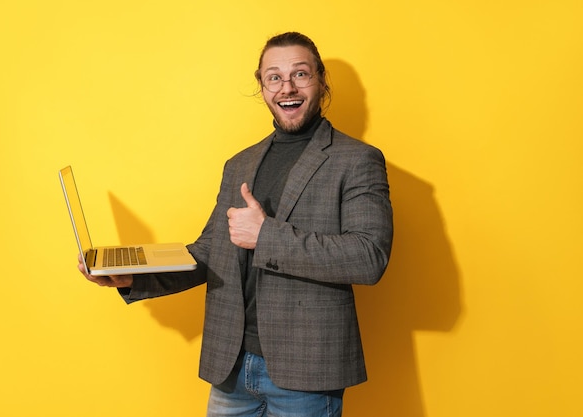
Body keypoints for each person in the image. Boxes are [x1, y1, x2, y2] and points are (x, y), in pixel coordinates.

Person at [78, 31, 393, 417]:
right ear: (261, 86)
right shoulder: (240, 164)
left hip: (305, 373)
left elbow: (368, 256)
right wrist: (131, 277)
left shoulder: (357, 159)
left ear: (321, 80)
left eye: (300, 74)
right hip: (231, 368)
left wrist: (266, 236)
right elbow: (209, 253)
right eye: (274, 77)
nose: (286, 87)